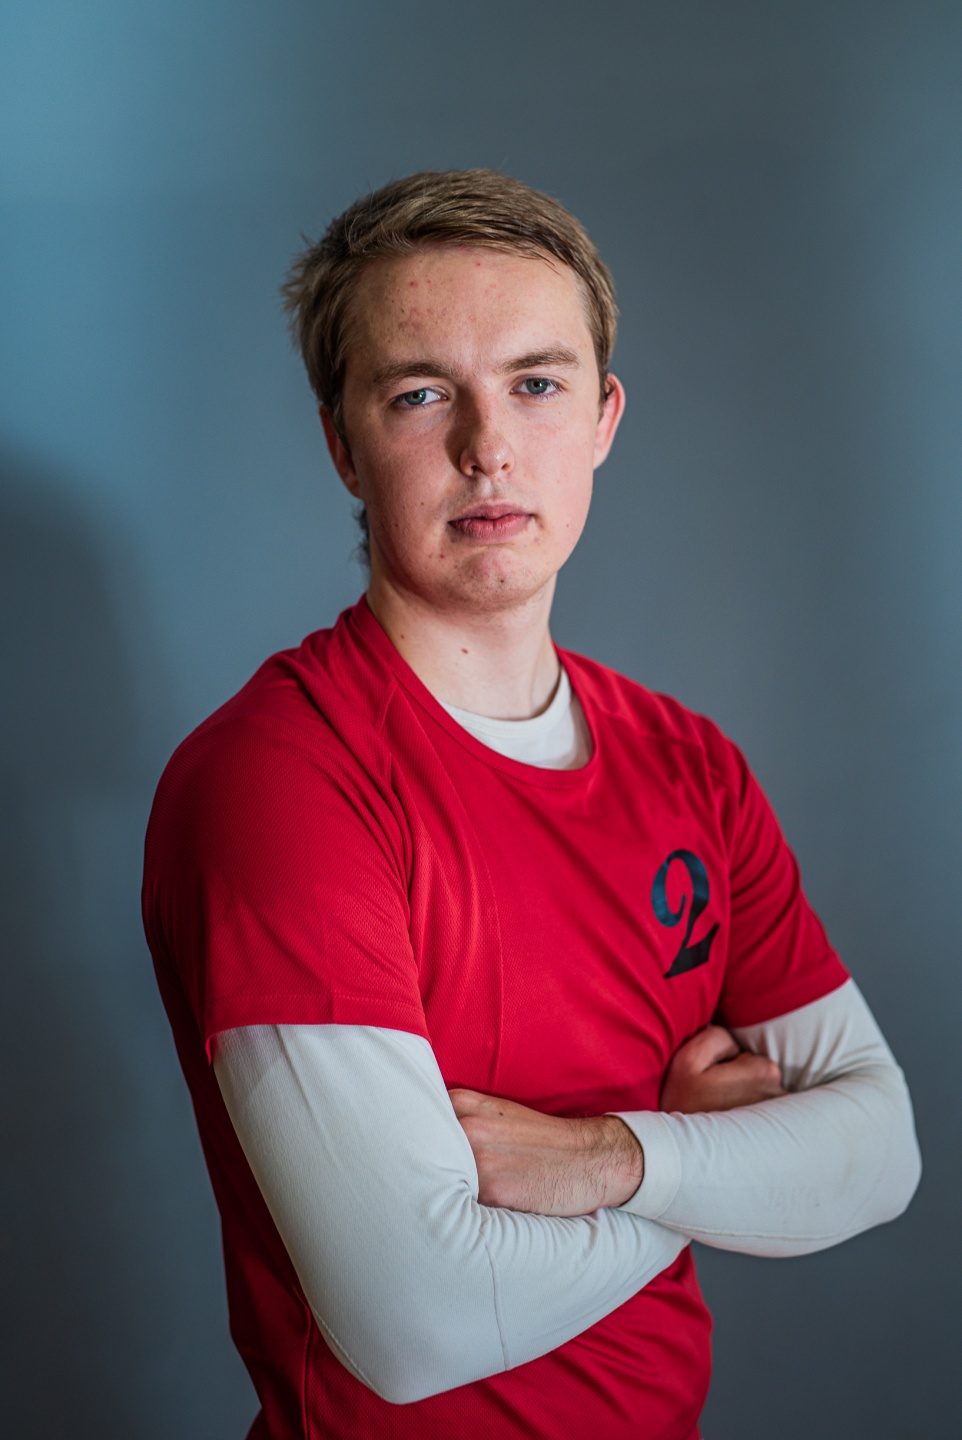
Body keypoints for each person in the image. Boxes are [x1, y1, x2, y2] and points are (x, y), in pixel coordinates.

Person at [142, 169, 921, 1440]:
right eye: (419, 394)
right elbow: (414, 1323)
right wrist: (695, 1161)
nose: (486, 446)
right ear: (341, 446)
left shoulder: (691, 766)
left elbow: (879, 1152)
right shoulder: (281, 780)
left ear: (603, 418)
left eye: (536, 384)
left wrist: (612, 1158)